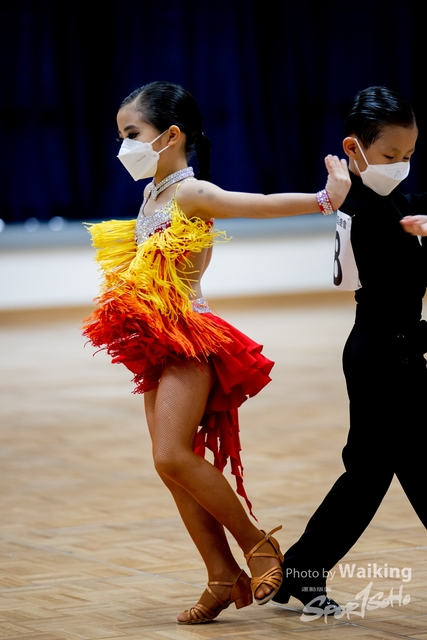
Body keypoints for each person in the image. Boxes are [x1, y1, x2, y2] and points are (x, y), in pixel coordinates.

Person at [82, 81, 350, 625]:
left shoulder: (190, 192)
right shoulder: (152, 194)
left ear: (170, 135)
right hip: (156, 341)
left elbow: (256, 205)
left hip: (188, 336)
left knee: (170, 456)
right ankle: (221, 575)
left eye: (132, 133)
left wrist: (324, 199)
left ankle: (258, 546)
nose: (124, 146)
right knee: (170, 467)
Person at [273, 86, 427, 614]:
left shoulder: (393, 200)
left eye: (410, 154)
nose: (401, 164)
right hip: (385, 354)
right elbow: (373, 273)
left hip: (387, 351)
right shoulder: (362, 207)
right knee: (401, 468)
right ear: (354, 149)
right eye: (390, 154)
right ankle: (301, 570)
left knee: (370, 474)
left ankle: (301, 571)